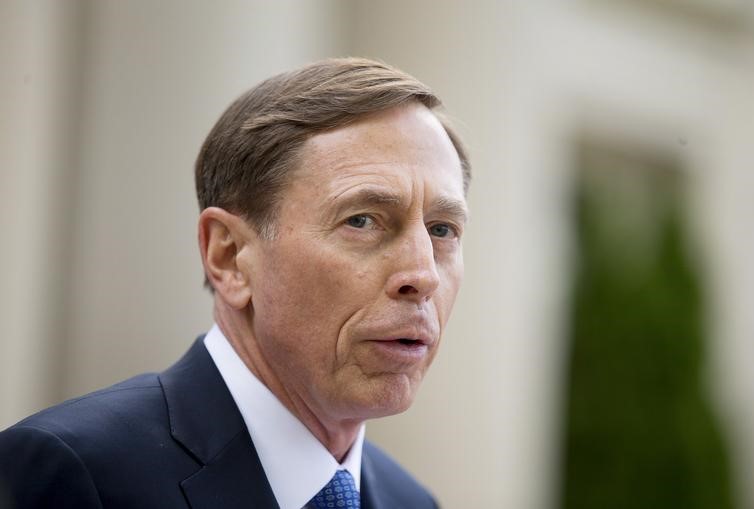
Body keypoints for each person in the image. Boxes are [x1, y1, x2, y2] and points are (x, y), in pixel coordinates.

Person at [0, 57, 471, 508]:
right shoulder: (74, 472)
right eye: (363, 220)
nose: (423, 275)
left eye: (442, 229)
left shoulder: (409, 500)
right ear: (228, 257)